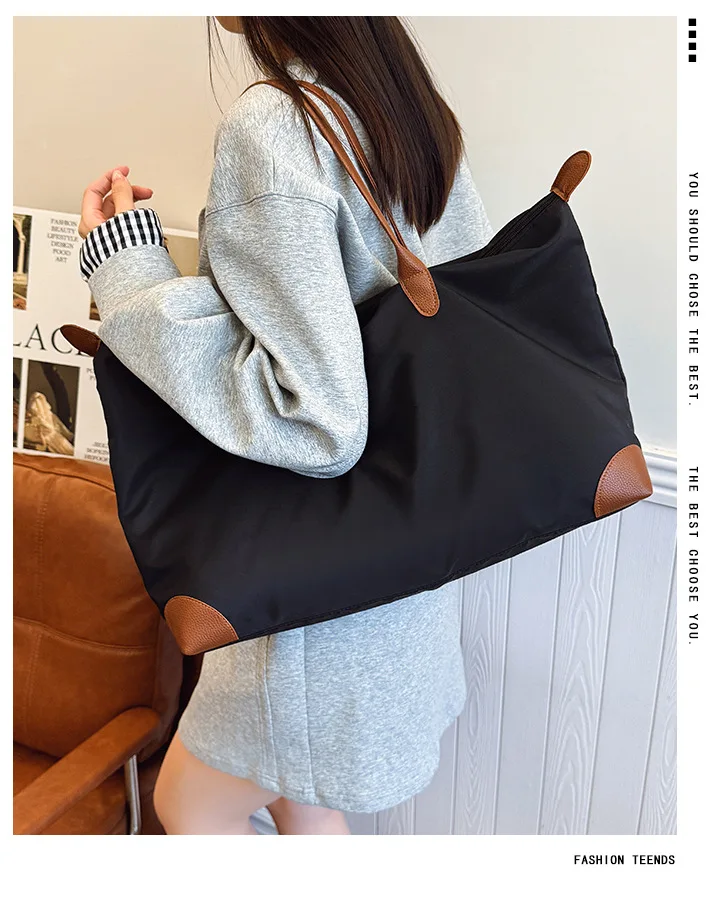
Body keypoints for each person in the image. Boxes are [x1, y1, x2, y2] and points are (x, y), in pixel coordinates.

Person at [77, 16, 493, 835]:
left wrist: (125, 268)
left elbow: (315, 421)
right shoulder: (403, 106)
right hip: (397, 578)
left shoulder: (275, 125)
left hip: (307, 617)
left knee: (187, 805)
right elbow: (446, 339)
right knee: (306, 821)